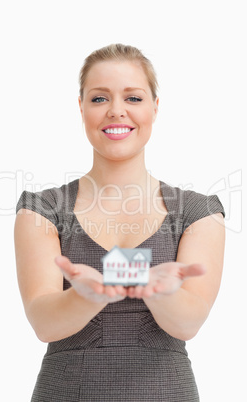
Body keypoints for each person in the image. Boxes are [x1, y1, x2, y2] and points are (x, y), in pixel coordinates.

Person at [14, 43, 226, 401]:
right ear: (80, 107)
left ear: (155, 108)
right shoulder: (42, 209)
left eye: (133, 98)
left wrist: (155, 288)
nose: (116, 112)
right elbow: (43, 322)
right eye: (99, 99)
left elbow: (188, 323)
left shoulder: (198, 211)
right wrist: (89, 297)